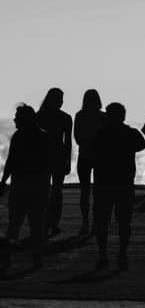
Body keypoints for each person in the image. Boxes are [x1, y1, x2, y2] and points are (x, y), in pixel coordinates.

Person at [91, 103, 145, 271]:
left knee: (102, 221)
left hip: (104, 182)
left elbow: (91, 153)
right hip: (124, 182)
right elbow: (141, 144)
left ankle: (103, 254)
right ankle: (122, 253)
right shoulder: (130, 133)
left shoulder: (101, 134)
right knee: (124, 221)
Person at [0, 105, 53, 269]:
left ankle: (6, 258)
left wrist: (3, 181)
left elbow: (11, 161)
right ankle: (37, 258)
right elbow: (49, 162)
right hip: (39, 185)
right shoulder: (44, 137)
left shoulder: (19, 136)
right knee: (36, 223)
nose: (15, 119)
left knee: (14, 223)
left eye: (17, 117)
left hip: (21, 185)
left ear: (24, 119)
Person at [37, 88, 72, 238]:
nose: (62, 101)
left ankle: (45, 223)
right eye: (60, 98)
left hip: (44, 156)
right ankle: (52, 222)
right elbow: (68, 142)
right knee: (56, 191)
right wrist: (68, 160)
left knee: (45, 190)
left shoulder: (39, 116)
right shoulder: (65, 117)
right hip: (57, 155)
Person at [74, 89, 105, 235]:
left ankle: (87, 221)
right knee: (96, 192)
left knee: (86, 191)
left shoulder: (80, 116)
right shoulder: (102, 117)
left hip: (86, 155)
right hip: (97, 156)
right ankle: (92, 221)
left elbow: (78, 138)